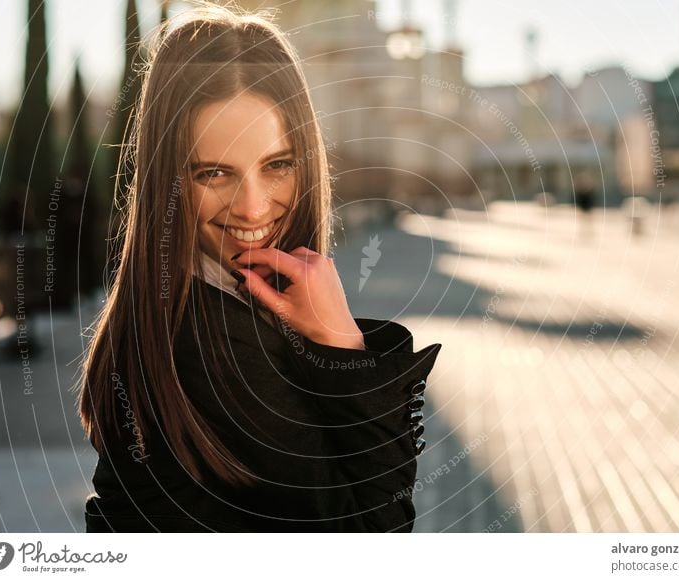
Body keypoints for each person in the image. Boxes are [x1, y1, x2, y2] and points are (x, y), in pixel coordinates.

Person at [76, 1, 442, 533]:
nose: (251, 207)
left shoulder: (177, 308)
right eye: (214, 173)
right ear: (169, 181)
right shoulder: (212, 340)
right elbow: (376, 532)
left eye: (277, 165)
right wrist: (341, 344)